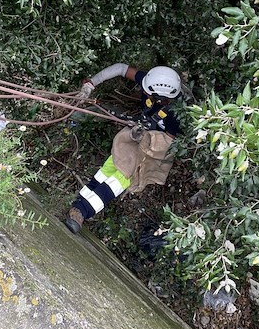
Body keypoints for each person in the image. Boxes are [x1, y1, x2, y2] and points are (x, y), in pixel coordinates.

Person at [64, 63, 182, 234]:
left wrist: (147, 136)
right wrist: (91, 84)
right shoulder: (151, 83)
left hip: (149, 151)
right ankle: (78, 204)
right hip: (136, 138)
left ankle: (82, 212)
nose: (144, 91)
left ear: (161, 98)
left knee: (121, 178)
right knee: (110, 166)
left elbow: (169, 143)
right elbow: (121, 69)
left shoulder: (176, 114)